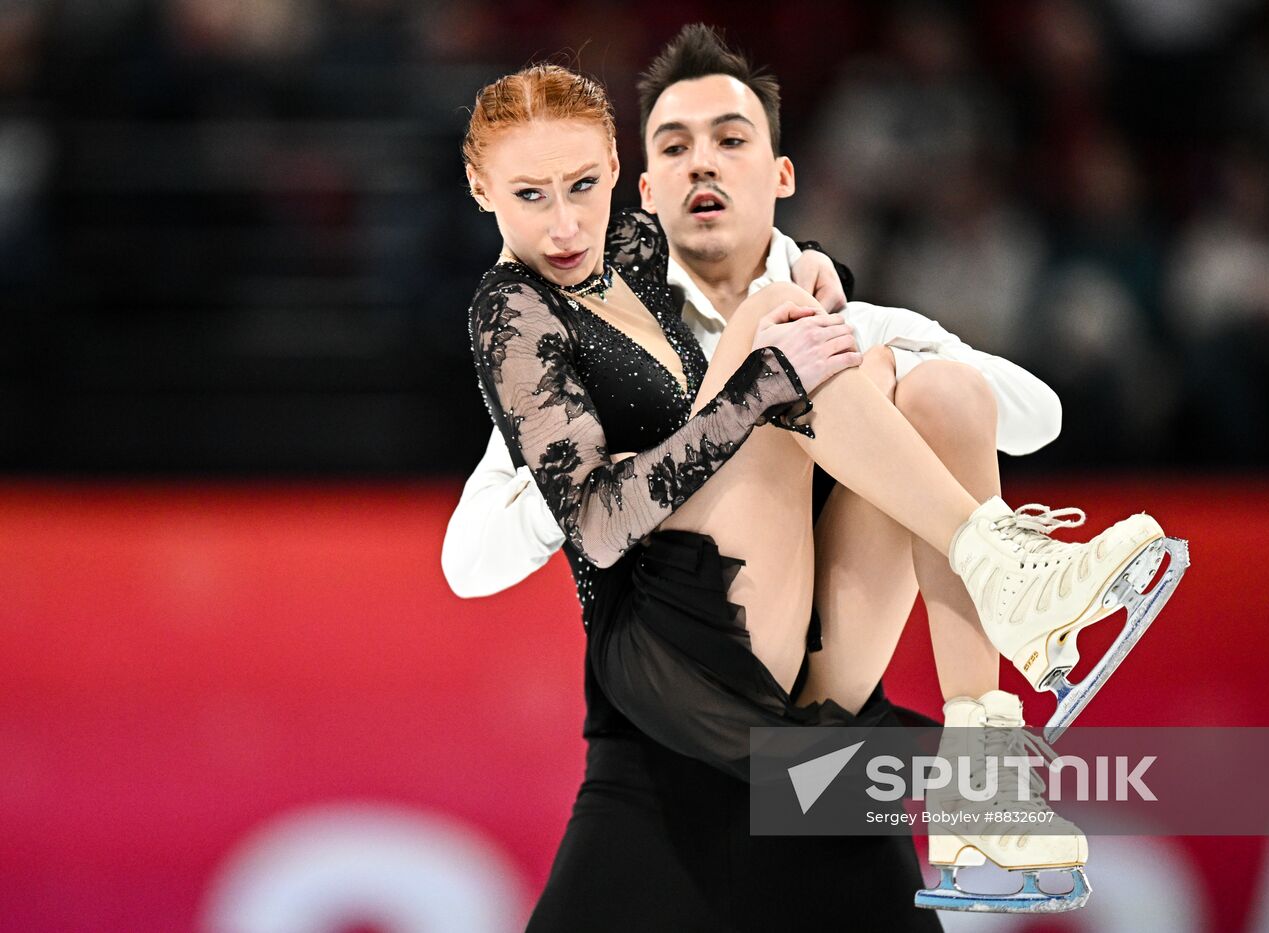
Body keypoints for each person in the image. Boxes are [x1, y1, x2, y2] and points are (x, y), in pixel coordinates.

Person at [461, 42, 1182, 931]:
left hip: (816, 736)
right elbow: (473, 560)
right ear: (648, 181)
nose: (564, 224)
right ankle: (1007, 588)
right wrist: (733, 390)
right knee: (797, 340)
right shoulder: (544, 315)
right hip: (675, 707)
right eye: (678, 146)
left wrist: (833, 320)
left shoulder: (787, 295)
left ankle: (981, 753)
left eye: (730, 139)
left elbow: (1033, 415)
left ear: (781, 173)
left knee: (933, 385)